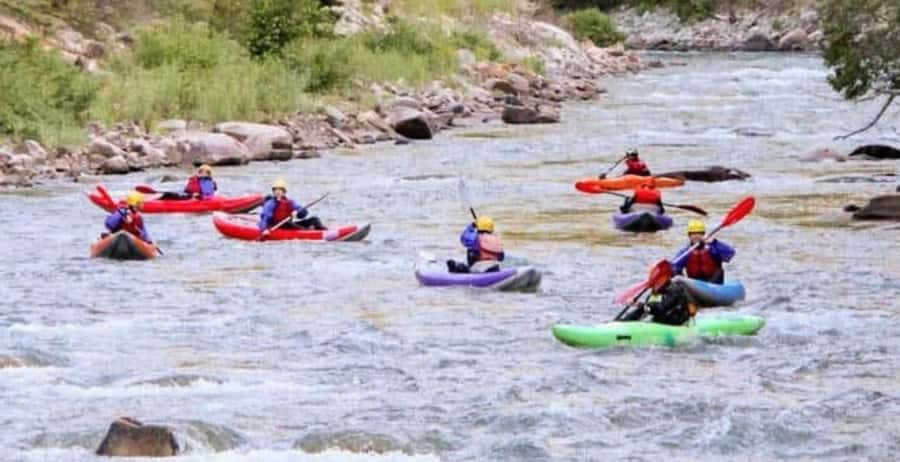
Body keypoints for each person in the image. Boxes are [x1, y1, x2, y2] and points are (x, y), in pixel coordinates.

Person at [258, 179, 325, 237]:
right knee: (286, 223)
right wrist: (264, 229)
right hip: (275, 226)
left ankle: (325, 231)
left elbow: (304, 213)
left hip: (289, 225)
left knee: (314, 219)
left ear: (284, 192)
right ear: (273, 191)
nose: (277, 192)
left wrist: (297, 212)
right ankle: (309, 232)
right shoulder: (270, 203)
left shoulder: (289, 202)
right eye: (276, 190)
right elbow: (264, 218)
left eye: (280, 190)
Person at [620, 278, 697, 326]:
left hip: (676, 321)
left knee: (645, 308)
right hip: (666, 317)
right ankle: (624, 322)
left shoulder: (674, 290)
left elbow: (662, 308)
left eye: (656, 284)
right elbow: (648, 309)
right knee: (643, 308)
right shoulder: (658, 293)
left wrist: (643, 306)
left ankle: (625, 323)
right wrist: (641, 306)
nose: (653, 287)